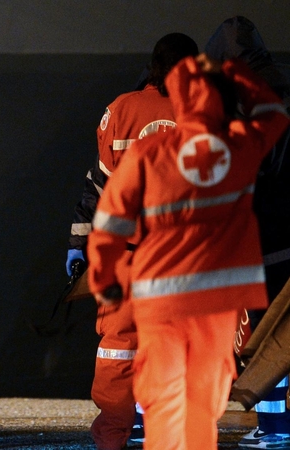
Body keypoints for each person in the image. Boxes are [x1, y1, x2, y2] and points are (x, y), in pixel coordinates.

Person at [87, 51, 289, 449]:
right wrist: (236, 73)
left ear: (177, 98)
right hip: (219, 303)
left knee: (164, 395)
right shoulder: (240, 145)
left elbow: (110, 219)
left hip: (161, 298)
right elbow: (275, 115)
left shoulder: (151, 152)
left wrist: (102, 275)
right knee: (201, 399)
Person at [65, 33, 198, 449]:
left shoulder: (119, 111)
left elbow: (98, 187)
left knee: (119, 349)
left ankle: (112, 436)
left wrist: (78, 244)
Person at [205, 16, 290, 449]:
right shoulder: (282, 88)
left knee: (261, 337)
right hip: (282, 235)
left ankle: (275, 428)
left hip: (258, 237)